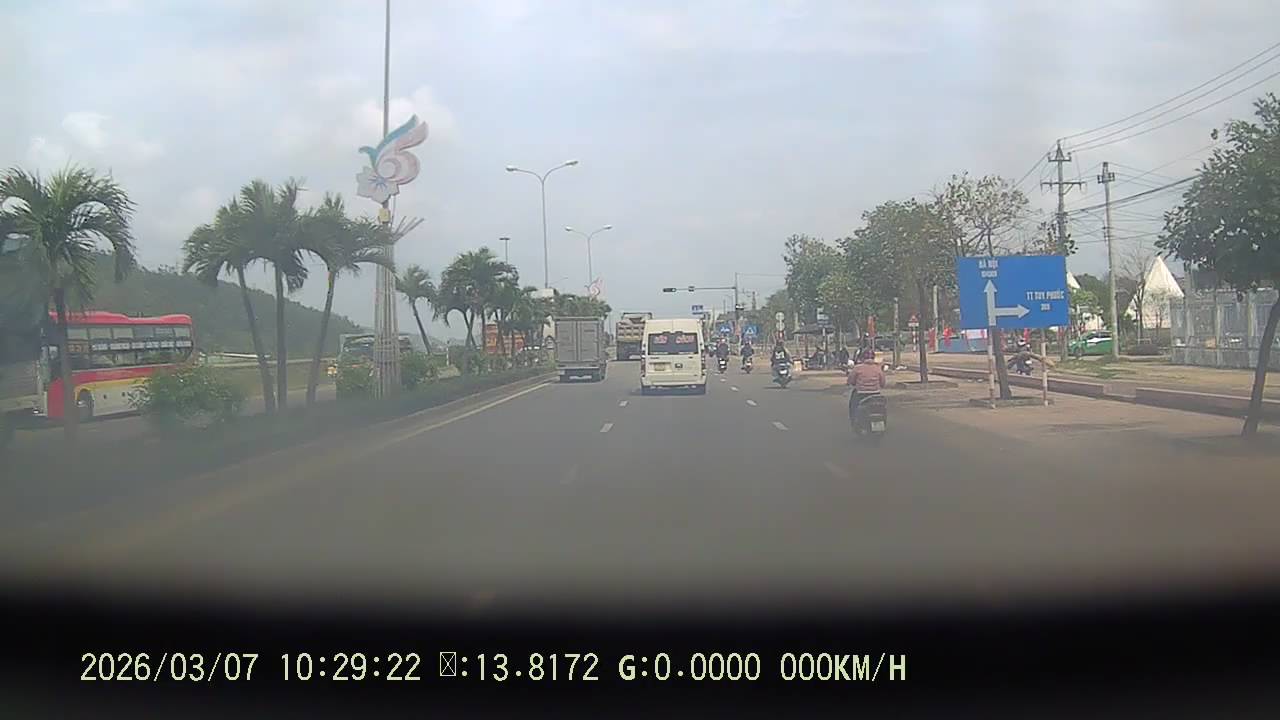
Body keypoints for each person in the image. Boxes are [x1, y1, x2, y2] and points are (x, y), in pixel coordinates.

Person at [847, 348, 886, 423]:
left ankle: (854, 420)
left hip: (861, 394)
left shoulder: (857, 368)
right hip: (875, 394)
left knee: (853, 406)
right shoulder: (878, 368)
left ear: (862, 358)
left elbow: (851, 381)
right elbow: (883, 383)